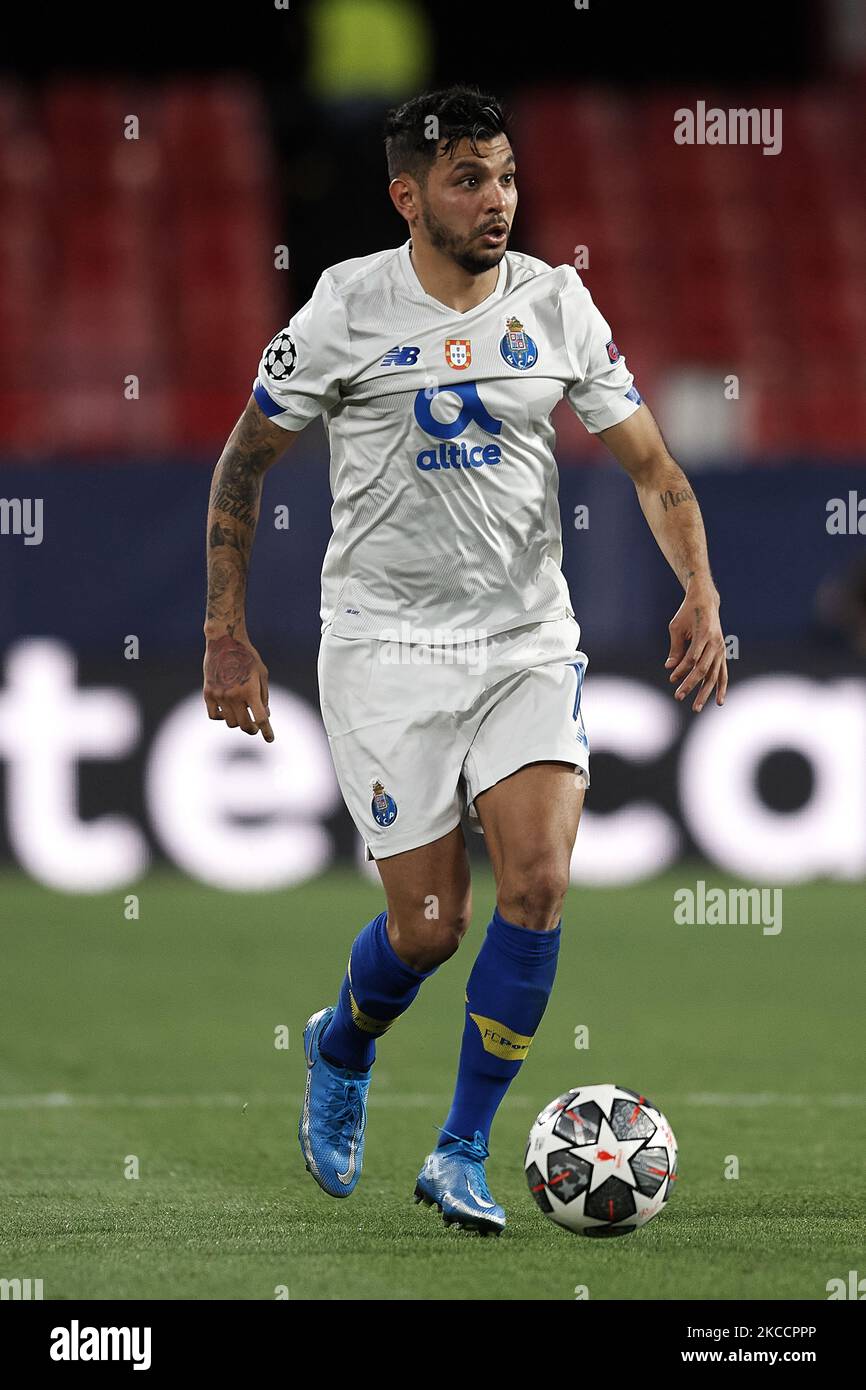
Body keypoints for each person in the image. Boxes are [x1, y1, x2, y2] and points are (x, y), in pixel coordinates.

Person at [202, 84, 727, 1237]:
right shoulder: (344, 306)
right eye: (467, 180)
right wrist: (224, 631)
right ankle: (341, 1042)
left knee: (535, 885)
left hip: (524, 641)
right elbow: (243, 464)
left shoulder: (556, 301)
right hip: (385, 650)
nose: (496, 201)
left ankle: (459, 1151)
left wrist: (696, 587)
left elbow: (649, 467)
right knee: (429, 927)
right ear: (408, 195)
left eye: (505, 177)